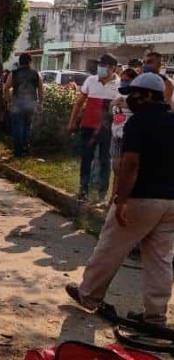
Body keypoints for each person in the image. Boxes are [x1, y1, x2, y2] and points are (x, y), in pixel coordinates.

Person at [66, 73, 174, 328]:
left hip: (140, 199)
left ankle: (89, 295)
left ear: (148, 95)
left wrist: (122, 200)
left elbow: (131, 163)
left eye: (134, 94)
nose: (129, 99)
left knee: (110, 246)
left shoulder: (138, 123)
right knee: (160, 259)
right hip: (170, 202)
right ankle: (155, 316)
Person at [67, 53, 120, 202]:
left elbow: (120, 111)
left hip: (107, 129)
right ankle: (83, 189)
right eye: (100, 65)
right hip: (88, 127)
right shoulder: (91, 80)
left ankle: (101, 194)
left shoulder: (119, 85)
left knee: (105, 160)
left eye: (104, 66)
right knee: (86, 158)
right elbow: (79, 103)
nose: (101, 68)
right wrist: (72, 122)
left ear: (113, 68)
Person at [4, 53, 43, 157]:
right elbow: (41, 89)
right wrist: (40, 103)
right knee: (27, 126)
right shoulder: (36, 74)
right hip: (31, 104)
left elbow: (6, 88)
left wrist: (8, 101)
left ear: (20, 62)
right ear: (30, 62)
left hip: (17, 104)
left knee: (18, 128)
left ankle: (18, 151)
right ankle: (25, 149)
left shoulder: (14, 73)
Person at [110, 68, 138, 199]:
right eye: (122, 80)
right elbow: (113, 108)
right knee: (116, 169)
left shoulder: (136, 97)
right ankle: (112, 198)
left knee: (124, 170)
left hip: (127, 137)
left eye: (127, 80)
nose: (123, 83)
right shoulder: (118, 93)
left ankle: (122, 197)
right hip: (115, 135)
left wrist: (125, 104)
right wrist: (114, 103)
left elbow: (138, 109)